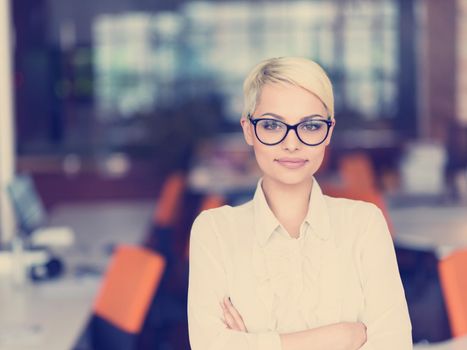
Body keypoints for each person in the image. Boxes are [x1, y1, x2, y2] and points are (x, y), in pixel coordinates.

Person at [187, 56, 412, 350]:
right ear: (248, 130)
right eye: (271, 125)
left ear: (328, 131)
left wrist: (251, 342)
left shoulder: (365, 223)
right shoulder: (214, 231)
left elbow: (394, 344)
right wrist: (341, 338)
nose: (292, 143)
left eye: (310, 126)